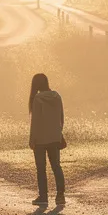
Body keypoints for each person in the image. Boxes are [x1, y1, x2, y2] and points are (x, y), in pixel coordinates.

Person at [27, 72, 66, 205]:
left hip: (40, 139)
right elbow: (61, 118)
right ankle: (60, 196)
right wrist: (59, 134)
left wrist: (32, 139)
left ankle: (43, 197)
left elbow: (36, 121)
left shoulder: (37, 98)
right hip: (54, 137)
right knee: (56, 166)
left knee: (41, 168)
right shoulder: (57, 96)